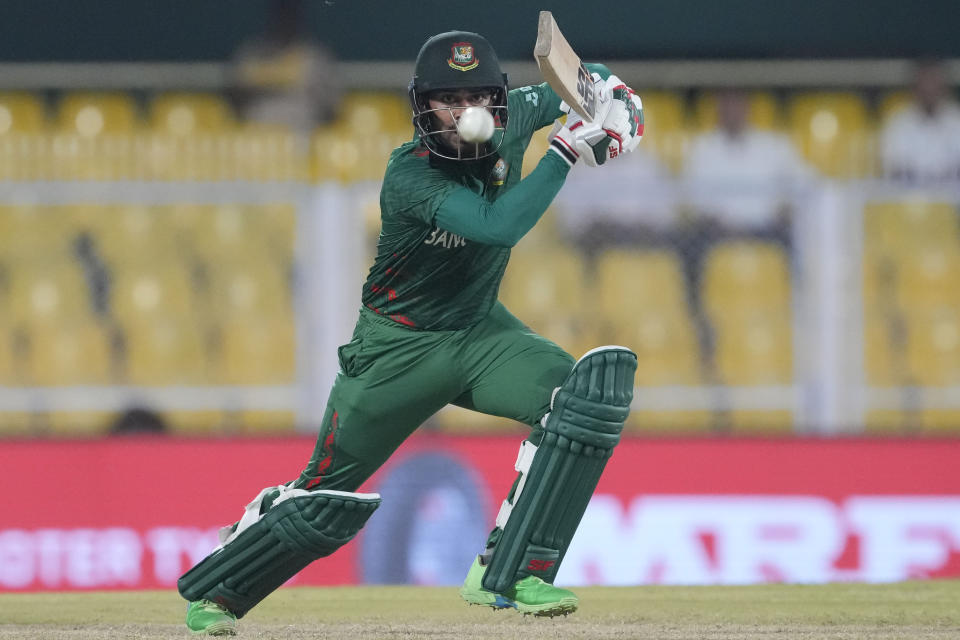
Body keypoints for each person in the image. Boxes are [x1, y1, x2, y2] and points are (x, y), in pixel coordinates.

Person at [177, 31, 642, 635]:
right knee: (322, 499)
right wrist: (565, 152)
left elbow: (587, 76)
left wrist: (615, 96)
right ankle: (217, 592)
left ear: (499, 101)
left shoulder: (519, 112)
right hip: (396, 350)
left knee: (581, 397)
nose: (466, 112)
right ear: (423, 108)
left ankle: (512, 571)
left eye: (478, 96)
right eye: (449, 99)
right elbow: (497, 226)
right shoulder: (410, 175)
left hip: (477, 332)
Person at [229, 0, 342, 138]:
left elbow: (333, 107)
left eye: (290, 15)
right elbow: (233, 97)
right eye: (282, 14)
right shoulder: (252, 55)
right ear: (274, 17)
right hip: (256, 138)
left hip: (302, 135)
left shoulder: (316, 58)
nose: (285, 20)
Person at [880, 58, 960, 186]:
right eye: (924, 84)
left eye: (934, 83)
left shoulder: (956, 119)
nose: (929, 89)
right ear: (914, 88)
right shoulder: (898, 122)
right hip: (908, 198)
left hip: (953, 198)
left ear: (944, 87)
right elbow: (893, 167)